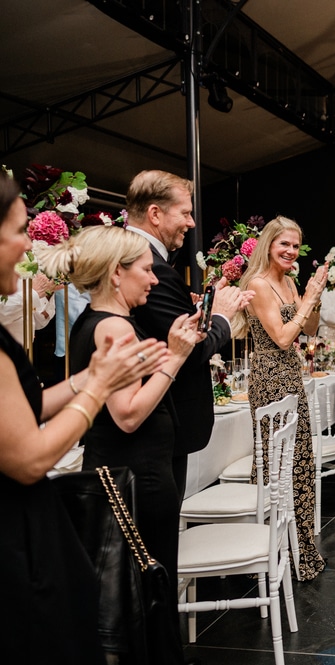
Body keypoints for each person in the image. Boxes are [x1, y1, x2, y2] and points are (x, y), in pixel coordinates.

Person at [0, 173, 168, 665]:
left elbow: (23, 407)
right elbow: (29, 458)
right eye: (17, 232)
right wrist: (96, 389)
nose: (27, 245)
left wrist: (83, 380)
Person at [41, 225, 205, 591]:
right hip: (135, 479)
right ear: (117, 273)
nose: (153, 280)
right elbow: (128, 415)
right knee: (146, 594)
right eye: (145, 270)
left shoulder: (95, 321)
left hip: (124, 473)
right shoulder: (117, 328)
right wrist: (176, 358)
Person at [127, 170, 252, 498]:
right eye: (184, 212)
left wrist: (205, 305)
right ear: (155, 213)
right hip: (162, 421)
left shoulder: (150, 263)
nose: (192, 222)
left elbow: (169, 328)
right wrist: (223, 316)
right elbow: (190, 351)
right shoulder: (154, 268)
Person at [233, 216, 329, 580]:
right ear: (268, 245)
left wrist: (312, 299)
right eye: (283, 244)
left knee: (299, 461)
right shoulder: (258, 285)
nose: (290, 251)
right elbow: (283, 338)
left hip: (291, 376)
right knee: (278, 468)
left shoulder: (288, 281)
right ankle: (270, 553)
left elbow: (309, 328)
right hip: (271, 380)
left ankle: (299, 549)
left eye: (295, 245)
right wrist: (305, 303)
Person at [0, 272, 58, 344]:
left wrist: (48, 291)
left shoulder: (27, 266)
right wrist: (32, 295)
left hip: (23, 348)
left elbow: (39, 321)